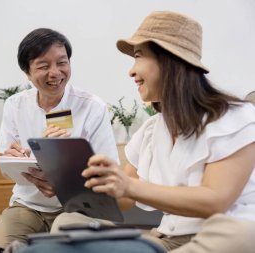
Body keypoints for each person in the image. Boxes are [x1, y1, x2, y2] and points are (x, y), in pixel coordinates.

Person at [51, 11, 255, 252]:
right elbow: (123, 199)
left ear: (170, 60)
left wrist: (128, 185)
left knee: (243, 234)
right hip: (165, 238)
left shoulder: (236, 117)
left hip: (220, 234)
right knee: (68, 222)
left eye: (138, 57)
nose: (131, 71)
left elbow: (215, 200)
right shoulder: (150, 130)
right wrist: (74, 184)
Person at [0, 28, 119, 249]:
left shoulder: (92, 107)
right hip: (28, 205)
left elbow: (110, 171)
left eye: (62, 63)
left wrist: (64, 180)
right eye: (44, 66)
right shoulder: (15, 105)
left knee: (58, 247)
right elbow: (3, 167)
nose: (55, 73)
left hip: (79, 207)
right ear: (27, 73)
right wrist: (13, 160)